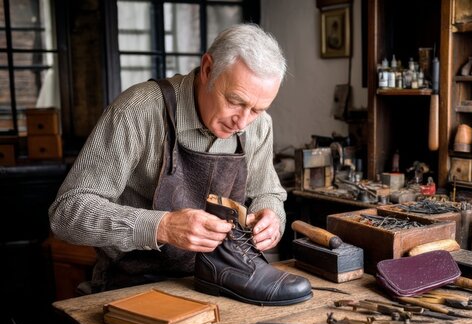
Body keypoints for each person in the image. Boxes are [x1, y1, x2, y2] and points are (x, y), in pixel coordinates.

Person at [49, 24, 312, 305]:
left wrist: (271, 216)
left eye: (258, 109)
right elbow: (67, 213)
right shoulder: (137, 112)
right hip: (134, 283)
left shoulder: (258, 126)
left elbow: (267, 193)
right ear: (208, 68)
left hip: (221, 281)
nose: (243, 121)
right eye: (235, 101)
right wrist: (162, 226)